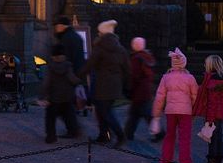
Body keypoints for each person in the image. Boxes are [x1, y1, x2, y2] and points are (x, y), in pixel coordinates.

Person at [78, 19, 130, 147]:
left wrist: (78, 75)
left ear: (101, 33)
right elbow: (127, 68)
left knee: (105, 111)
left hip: (102, 85)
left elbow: (89, 65)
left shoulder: (100, 48)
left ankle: (120, 135)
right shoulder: (121, 49)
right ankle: (103, 135)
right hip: (115, 85)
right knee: (103, 111)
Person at [152, 48, 199, 163]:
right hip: (185, 112)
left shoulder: (166, 77)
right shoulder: (190, 78)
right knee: (185, 138)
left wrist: (156, 114)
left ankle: (165, 162)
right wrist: (194, 111)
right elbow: (195, 97)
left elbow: (159, 97)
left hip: (170, 111)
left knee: (169, 137)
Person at [192, 55, 223, 163]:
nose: (205, 65)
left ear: (210, 65)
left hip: (213, 114)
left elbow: (212, 103)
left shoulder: (213, 81)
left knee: (212, 140)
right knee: (218, 138)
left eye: (206, 63)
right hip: (220, 114)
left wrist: (209, 120)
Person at [123, 37, 163, 142]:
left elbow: (134, 76)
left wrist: (129, 88)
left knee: (144, 114)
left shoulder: (136, 58)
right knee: (135, 114)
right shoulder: (147, 57)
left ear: (134, 46)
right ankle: (128, 134)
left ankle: (159, 133)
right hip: (146, 89)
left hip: (139, 91)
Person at [42, 44, 82, 143]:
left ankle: (51, 136)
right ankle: (73, 130)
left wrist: (42, 95)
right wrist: (79, 82)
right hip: (67, 96)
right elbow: (72, 79)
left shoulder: (51, 67)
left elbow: (47, 82)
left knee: (50, 118)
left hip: (54, 96)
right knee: (69, 114)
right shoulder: (67, 65)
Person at [53, 16, 88, 115]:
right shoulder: (76, 36)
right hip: (78, 69)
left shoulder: (66, 38)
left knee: (69, 96)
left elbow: (66, 57)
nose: (56, 28)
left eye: (57, 26)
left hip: (70, 71)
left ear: (61, 26)